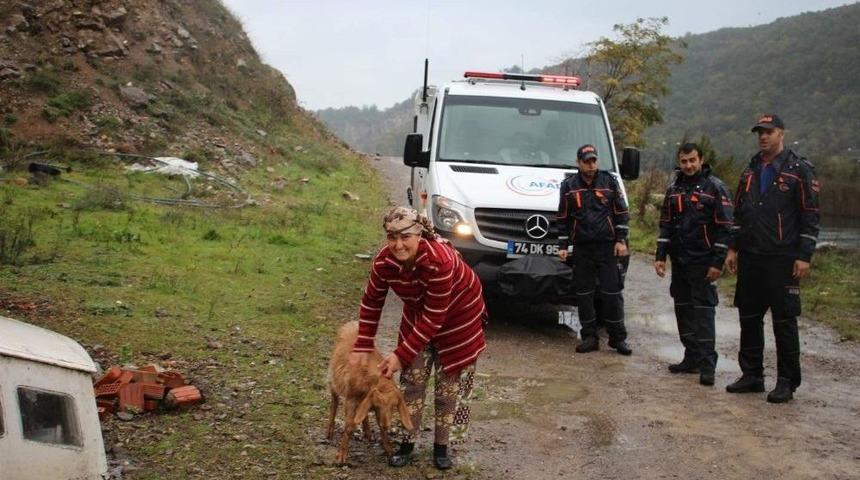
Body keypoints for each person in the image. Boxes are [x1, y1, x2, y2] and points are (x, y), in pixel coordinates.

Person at [350, 206, 487, 469]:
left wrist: (400, 354)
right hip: (419, 316)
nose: (398, 245)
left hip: (459, 319)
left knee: (448, 387)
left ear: (420, 235)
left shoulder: (440, 261)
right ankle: (407, 443)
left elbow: (435, 316)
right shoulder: (384, 262)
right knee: (412, 381)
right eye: (392, 238)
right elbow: (371, 300)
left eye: (405, 237)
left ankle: (441, 447)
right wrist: (363, 343)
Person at [725, 114, 820, 403]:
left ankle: (787, 381)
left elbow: (810, 215)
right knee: (749, 317)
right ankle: (752, 375)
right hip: (752, 257)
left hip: (782, 258)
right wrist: (733, 248)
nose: (763, 137)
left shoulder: (799, 170)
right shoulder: (750, 170)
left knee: (784, 321)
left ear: (781, 133)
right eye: (759, 132)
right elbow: (739, 213)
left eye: (768, 131)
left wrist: (804, 256)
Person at [655, 143, 734, 386]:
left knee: (703, 313)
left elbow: (725, 228)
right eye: (684, 161)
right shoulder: (673, 189)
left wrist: (717, 262)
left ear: (701, 160)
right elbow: (666, 224)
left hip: (704, 261)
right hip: (680, 261)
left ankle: (707, 365)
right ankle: (691, 357)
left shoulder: (716, 188)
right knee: (683, 309)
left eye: (692, 160)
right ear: (678, 162)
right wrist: (660, 256)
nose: (688, 165)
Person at [557, 144, 632, 355]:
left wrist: (621, 240)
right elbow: (563, 217)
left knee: (612, 293)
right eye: (586, 161)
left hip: (607, 247)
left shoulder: (609, 181)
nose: (591, 165)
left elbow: (621, 213)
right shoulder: (569, 185)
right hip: (582, 248)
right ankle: (590, 337)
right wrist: (563, 246)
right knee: (584, 294)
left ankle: (618, 338)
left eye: (594, 160)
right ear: (578, 163)